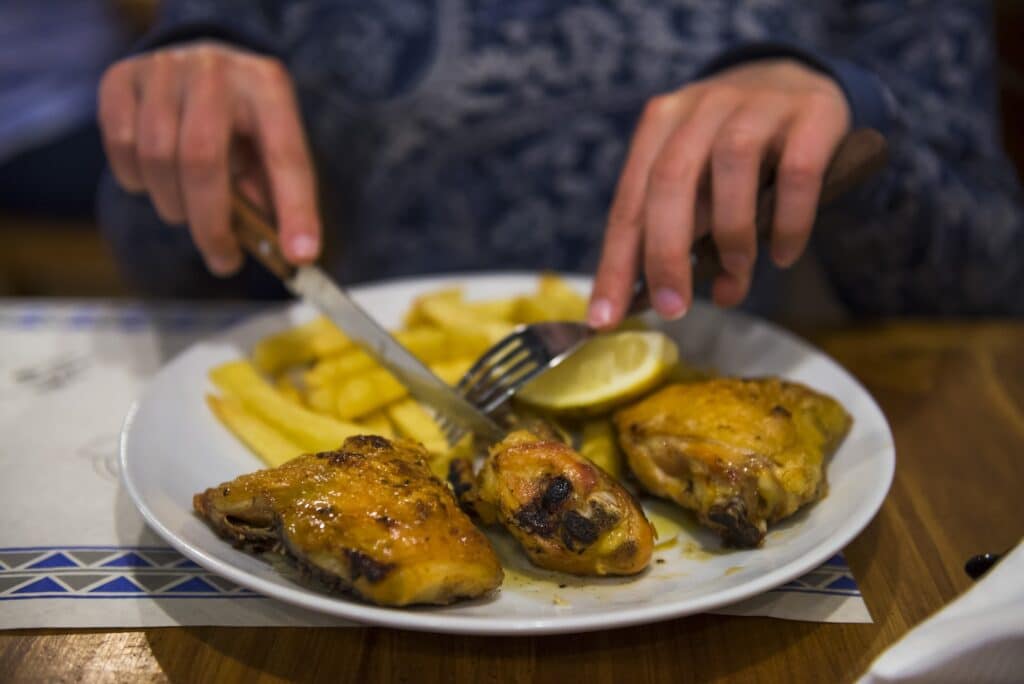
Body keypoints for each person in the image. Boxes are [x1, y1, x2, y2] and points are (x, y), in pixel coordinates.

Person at [97, 1, 1024, 323]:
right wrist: (177, 127)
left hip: (760, 408)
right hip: (343, 434)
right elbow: (155, 252)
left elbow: (988, 277)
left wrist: (854, 121)